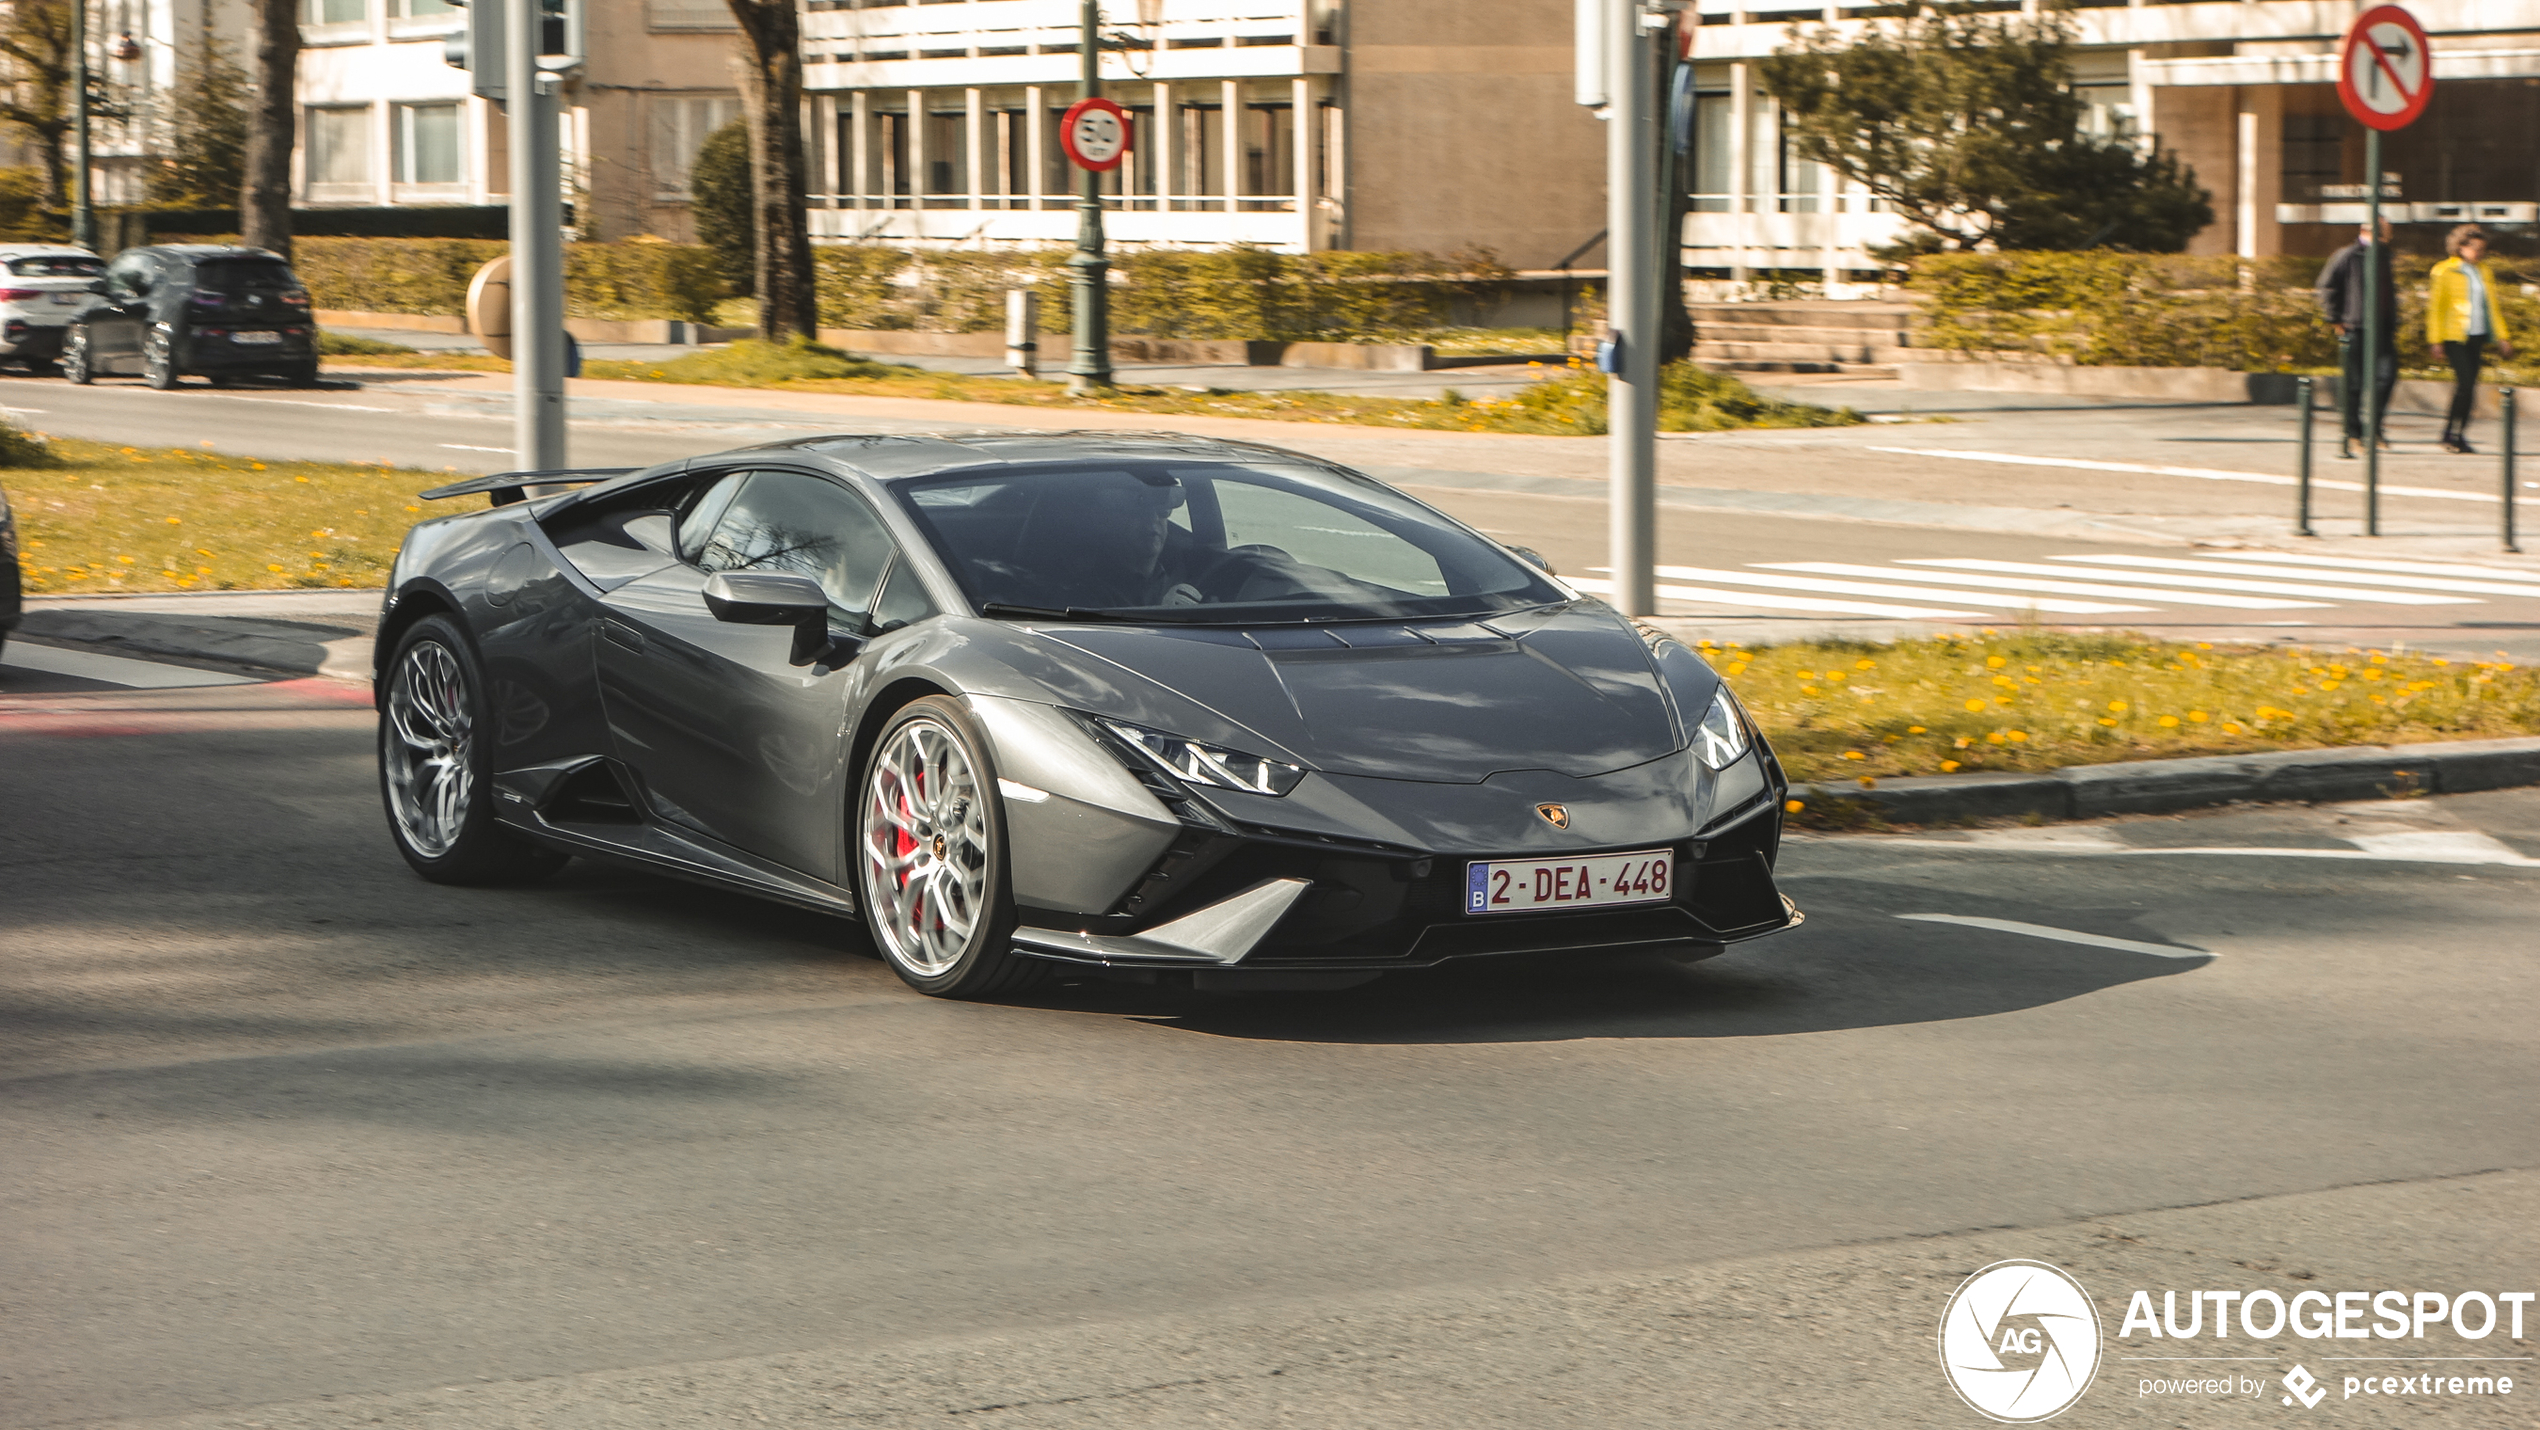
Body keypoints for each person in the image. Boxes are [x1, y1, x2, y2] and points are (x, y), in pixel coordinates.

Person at [2427, 223, 2514, 455]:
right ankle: (2450, 434)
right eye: (2474, 248)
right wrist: (2435, 340)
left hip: (2477, 334)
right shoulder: (2444, 270)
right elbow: (2436, 308)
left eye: (2482, 249)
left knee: (2469, 388)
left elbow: (2492, 306)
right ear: (2460, 247)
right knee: (2465, 384)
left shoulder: (2483, 271)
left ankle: (2457, 434)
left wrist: (2503, 337)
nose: (2478, 253)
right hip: (2455, 336)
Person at [2316, 217, 2399, 457]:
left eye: (2388, 232)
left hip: (2383, 327)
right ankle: (2353, 433)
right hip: (2356, 326)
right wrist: (2335, 319)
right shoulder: (2348, 255)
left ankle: (2374, 428)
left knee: (2387, 377)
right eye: (2384, 232)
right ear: (2366, 230)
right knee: (2354, 383)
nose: (2387, 236)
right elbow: (2327, 286)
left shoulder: (2384, 255)